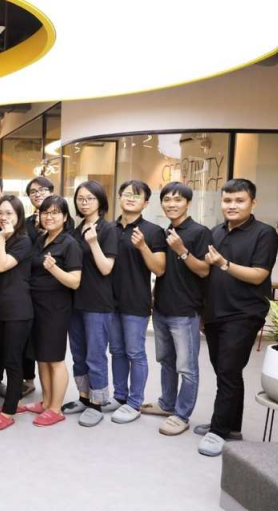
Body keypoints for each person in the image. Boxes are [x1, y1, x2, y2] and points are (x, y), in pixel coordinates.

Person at [197, 178, 278, 457]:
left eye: (239, 200)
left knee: (229, 371)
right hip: (215, 313)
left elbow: (259, 275)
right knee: (226, 372)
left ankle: (218, 431)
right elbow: (206, 275)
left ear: (253, 202)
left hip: (244, 313)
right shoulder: (215, 232)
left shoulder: (265, 233)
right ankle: (232, 427)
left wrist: (224, 264)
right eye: (227, 200)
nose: (232, 205)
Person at [141, 182, 212, 436]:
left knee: (187, 368)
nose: (172, 204)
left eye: (178, 199)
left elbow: (204, 270)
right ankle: (167, 404)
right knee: (166, 362)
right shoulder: (165, 231)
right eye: (167, 199)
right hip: (161, 308)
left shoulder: (200, 232)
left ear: (188, 203)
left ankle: (182, 415)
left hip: (185, 311)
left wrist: (182, 251)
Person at [109, 180, 167, 425]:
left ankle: (134, 402)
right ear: (119, 197)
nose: (130, 198)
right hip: (109, 303)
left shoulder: (153, 231)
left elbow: (159, 269)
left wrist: (143, 246)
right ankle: (119, 396)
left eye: (136, 195)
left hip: (136, 302)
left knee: (135, 352)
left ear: (146, 202)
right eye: (126, 194)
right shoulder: (108, 228)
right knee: (116, 351)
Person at [25, 196, 82, 427]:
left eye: (55, 212)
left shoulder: (70, 244)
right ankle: (46, 402)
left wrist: (54, 269)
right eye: (45, 212)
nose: (49, 217)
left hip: (56, 308)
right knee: (42, 357)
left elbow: (75, 282)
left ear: (65, 217)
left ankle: (56, 408)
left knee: (55, 359)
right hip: (36, 305)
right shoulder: (40, 239)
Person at [64, 180, 118, 427]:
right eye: (80, 199)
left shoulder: (108, 229)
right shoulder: (75, 231)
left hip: (98, 303)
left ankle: (98, 402)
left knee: (95, 355)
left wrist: (94, 242)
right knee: (78, 355)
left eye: (90, 198)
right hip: (75, 301)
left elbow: (106, 268)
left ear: (100, 201)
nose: (84, 203)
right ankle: (84, 397)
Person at [0, 195, 33, 432]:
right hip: (1, 307)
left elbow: (1, 265)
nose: (3, 217)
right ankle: (14, 401)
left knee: (13, 361)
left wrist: (2, 238)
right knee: (3, 356)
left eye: (9, 213)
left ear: (19, 216)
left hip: (18, 309)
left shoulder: (23, 241)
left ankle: (9, 412)